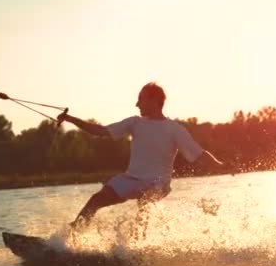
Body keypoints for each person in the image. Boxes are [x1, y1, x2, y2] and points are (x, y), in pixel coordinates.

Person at [57, 82, 228, 231]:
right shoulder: (135, 123)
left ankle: (136, 248)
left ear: (154, 101)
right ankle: (73, 236)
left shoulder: (174, 129)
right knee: (96, 200)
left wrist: (220, 165)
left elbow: (198, 153)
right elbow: (101, 131)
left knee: (145, 201)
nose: (137, 104)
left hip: (158, 183)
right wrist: (71, 119)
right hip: (132, 179)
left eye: (141, 99)